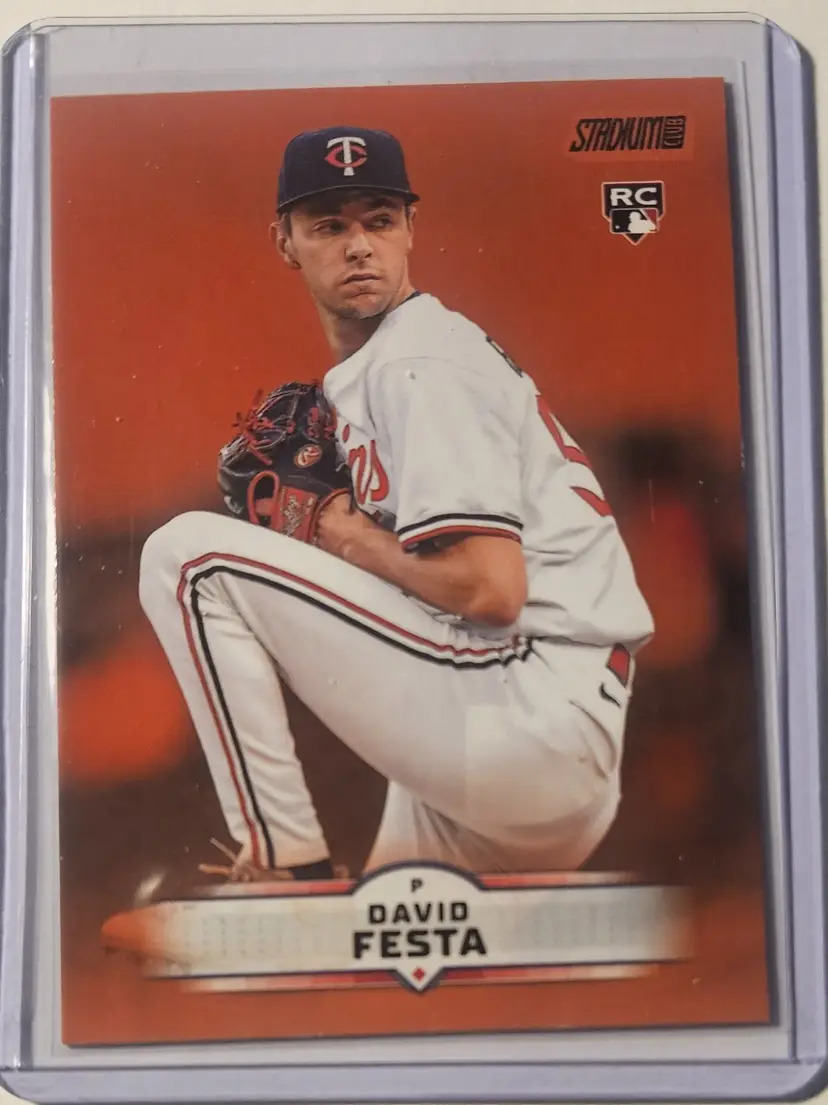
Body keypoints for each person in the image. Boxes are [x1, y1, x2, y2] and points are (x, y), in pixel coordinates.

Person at [138, 125, 654, 882]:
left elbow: (492, 590)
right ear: (285, 242)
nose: (359, 247)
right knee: (379, 932)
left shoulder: (419, 361)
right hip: (535, 747)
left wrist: (349, 539)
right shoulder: (392, 362)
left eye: (379, 220)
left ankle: (282, 859)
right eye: (329, 226)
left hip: (525, 706)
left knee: (189, 556)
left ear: (411, 228)